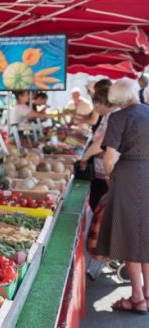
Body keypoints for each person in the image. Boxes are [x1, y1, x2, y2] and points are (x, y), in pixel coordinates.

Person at [95, 78, 149, 313]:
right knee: (145, 237)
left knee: (129, 238)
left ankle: (137, 298)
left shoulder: (118, 117)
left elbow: (109, 158)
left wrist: (110, 176)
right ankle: (147, 293)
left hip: (128, 178)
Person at [80, 85, 117, 210]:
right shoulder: (110, 115)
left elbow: (103, 141)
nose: (95, 109)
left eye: (96, 105)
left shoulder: (114, 116)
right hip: (104, 168)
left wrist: (85, 156)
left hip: (107, 168)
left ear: (103, 103)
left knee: (100, 200)